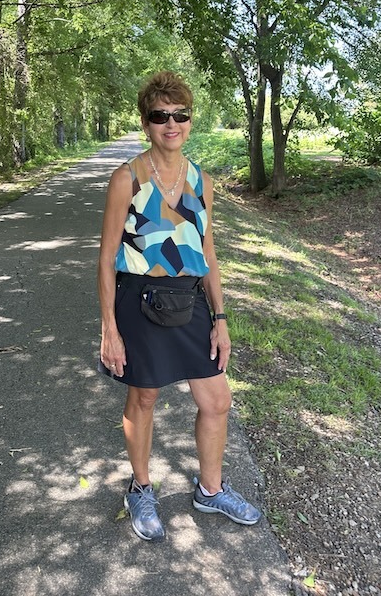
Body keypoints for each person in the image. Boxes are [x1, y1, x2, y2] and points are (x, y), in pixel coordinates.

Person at [97, 70, 261, 542]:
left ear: (190, 120)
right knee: (144, 396)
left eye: (180, 114)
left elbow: (207, 252)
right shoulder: (125, 180)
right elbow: (107, 258)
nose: (172, 123)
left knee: (216, 399)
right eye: (160, 115)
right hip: (139, 301)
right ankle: (141, 488)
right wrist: (109, 325)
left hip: (190, 304)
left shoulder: (201, 181)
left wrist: (221, 318)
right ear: (146, 123)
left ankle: (210, 490)